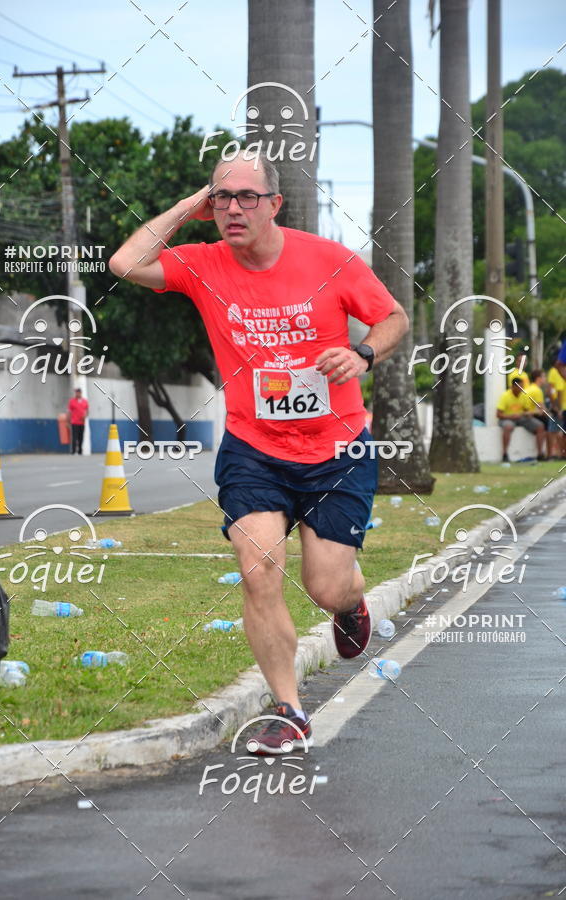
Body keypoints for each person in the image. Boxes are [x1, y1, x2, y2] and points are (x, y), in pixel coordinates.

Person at [109, 153, 408, 753]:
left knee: (326, 585)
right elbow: (125, 262)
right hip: (254, 448)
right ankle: (290, 711)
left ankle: (350, 606)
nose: (233, 209)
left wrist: (363, 356)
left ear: (276, 204)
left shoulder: (328, 260)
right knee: (257, 568)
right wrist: (193, 203)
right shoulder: (203, 264)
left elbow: (393, 317)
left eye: (247, 197)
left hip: (336, 447)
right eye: (222, 199)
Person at [497, 376, 546, 462]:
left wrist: (529, 414)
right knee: (508, 426)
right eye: (520, 387)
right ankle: (504, 454)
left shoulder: (523, 395)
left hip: (521, 418)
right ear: (513, 387)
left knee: (540, 426)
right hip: (507, 418)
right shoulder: (505, 396)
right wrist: (511, 416)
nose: (522, 389)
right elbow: (498, 414)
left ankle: (540, 454)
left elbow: (526, 410)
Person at [547, 357, 566, 459]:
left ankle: (558, 454)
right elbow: (554, 391)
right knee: (555, 430)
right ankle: (556, 454)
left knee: (558, 431)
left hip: (560, 405)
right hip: (560, 406)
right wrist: (556, 407)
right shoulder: (555, 371)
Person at [68, 387, 89, 455]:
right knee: (74, 437)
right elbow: (69, 411)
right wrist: (68, 420)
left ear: (80, 393)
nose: (77, 394)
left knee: (81, 437)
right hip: (74, 422)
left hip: (82, 422)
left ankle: (80, 450)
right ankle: (73, 451)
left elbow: (87, 411)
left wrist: (85, 416)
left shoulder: (84, 401)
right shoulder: (72, 401)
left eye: (78, 392)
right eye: (76, 392)